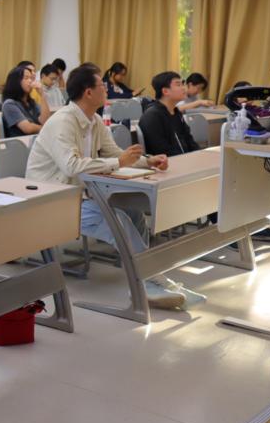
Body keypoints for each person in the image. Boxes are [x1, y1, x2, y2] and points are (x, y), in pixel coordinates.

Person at [24, 63, 198, 309]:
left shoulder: (94, 120)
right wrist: (119, 162)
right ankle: (147, 280)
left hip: (81, 194)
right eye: (102, 86)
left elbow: (116, 153)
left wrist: (148, 160)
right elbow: (72, 166)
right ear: (88, 92)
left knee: (134, 214)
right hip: (54, 199)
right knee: (118, 219)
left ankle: (147, 278)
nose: (107, 90)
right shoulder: (62, 121)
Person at [139, 72, 200, 157]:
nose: (184, 88)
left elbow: (190, 141)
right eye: (178, 85)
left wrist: (199, 155)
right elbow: (161, 151)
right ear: (165, 91)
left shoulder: (176, 113)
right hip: (168, 163)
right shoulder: (152, 116)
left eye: (183, 84)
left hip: (184, 159)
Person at [1, 65, 52, 137]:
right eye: (26, 78)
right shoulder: (9, 104)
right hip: (20, 142)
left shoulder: (31, 102)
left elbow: (45, 121)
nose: (30, 81)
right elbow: (28, 128)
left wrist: (42, 95)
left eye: (31, 78)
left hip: (34, 140)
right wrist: (46, 129)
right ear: (16, 81)